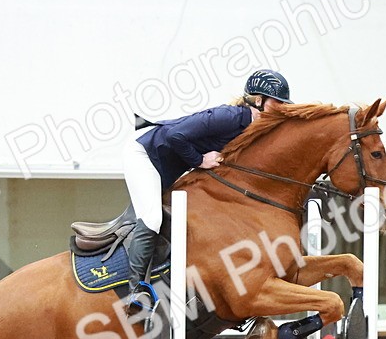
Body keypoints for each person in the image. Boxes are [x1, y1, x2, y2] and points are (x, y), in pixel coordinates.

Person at [122, 69, 293, 313]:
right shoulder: (231, 116)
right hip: (144, 152)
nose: (282, 108)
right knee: (151, 217)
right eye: (278, 102)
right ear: (259, 101)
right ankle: (135, 291)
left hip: (164, 161)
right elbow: (174, 135)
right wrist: (199, 160)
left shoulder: (252, 128)